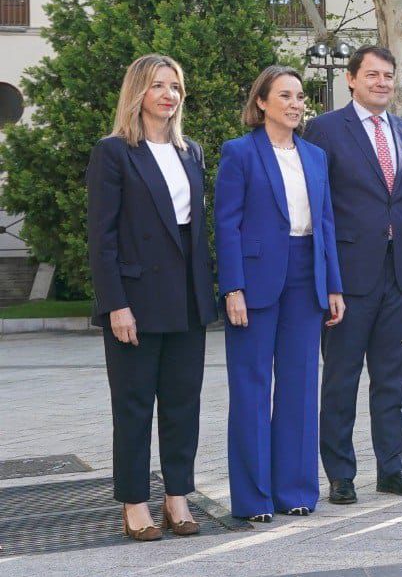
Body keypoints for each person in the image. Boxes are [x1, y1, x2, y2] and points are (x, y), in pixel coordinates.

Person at [86, 54, 217, 541]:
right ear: (137, 93)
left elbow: (193, 232)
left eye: (176, 86)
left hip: (186, 300)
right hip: (136, 302)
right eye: (158, 85)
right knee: (135, 405)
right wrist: (115, 303)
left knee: (183, 403)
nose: (169, 94)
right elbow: (102, 238)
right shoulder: (114, 152)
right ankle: (135, 503)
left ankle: (177, 497)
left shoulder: (192, 152)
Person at [303, 46, 402, 504]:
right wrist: (328, 280)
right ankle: (340, 473)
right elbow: (318, 206)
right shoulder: (324, 130)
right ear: (351, 79)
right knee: (341, 378)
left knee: (392, 378)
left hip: (399, 273)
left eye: (388, 75)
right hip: (348, 277)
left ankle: (391, 468)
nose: (381, 82)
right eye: (372, 75)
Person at [216, 66, 345, 521]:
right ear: (262, 103)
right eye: (285, 95)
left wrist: (333, 285)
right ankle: (253, 500)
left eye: (300, 96)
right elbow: (226, 225)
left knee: (300, 386)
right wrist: (232, 285)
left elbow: (326, 222)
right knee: (251, 387)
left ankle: (295, 491)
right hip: (255, 279)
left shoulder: (314, 156)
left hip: (306, 275)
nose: (295, 103)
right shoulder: (239, 153)